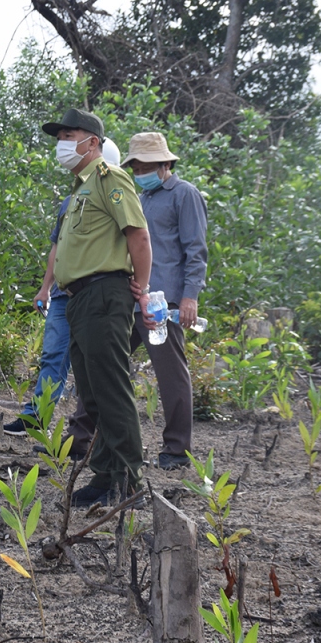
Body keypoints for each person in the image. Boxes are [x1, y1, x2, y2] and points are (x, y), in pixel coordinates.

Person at [43, 109, 154, 507]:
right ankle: (105, 476)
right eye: (59, 137)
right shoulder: (78, 191)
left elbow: (138, 235)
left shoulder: (110, 178)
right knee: (92, 392)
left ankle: (127, 479)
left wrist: (140, 286)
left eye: (69, 135)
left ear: (92, 142)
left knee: (111, 388)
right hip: (79, 300)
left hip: (106, 294)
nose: (62, 144)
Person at [4, 138, 122, 435]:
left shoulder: (116, 195)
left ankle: (91, 429)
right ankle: (36, 417)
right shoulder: (70, 201)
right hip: (62, 296)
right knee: (53, 356)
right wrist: (46, 288)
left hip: (96, 293)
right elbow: (58, 248)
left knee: (96, 363)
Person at [122, 132, 208, 469]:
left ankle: (176, 449)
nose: (140, 170)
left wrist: (189, 297)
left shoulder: (184, 194)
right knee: (102, 363)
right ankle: (84, 436)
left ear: (165, 164)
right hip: (131, 299)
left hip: (163, 301)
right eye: (136, 165)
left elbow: (195, 250)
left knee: (171, 374)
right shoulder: (140, 197)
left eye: (147, 165)